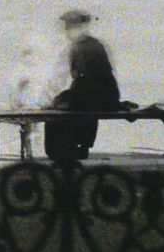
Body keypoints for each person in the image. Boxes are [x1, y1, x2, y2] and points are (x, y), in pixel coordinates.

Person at [45, 9, 120, 161]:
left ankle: (66, 148)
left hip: (96, 95)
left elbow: (83, 77)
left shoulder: (81, 47)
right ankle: (80, 145)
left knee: (58, 110)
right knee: (64, 104)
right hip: (104, 94)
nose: (66, 32)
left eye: (68, 28)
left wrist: (62, 97)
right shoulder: (93, 44)